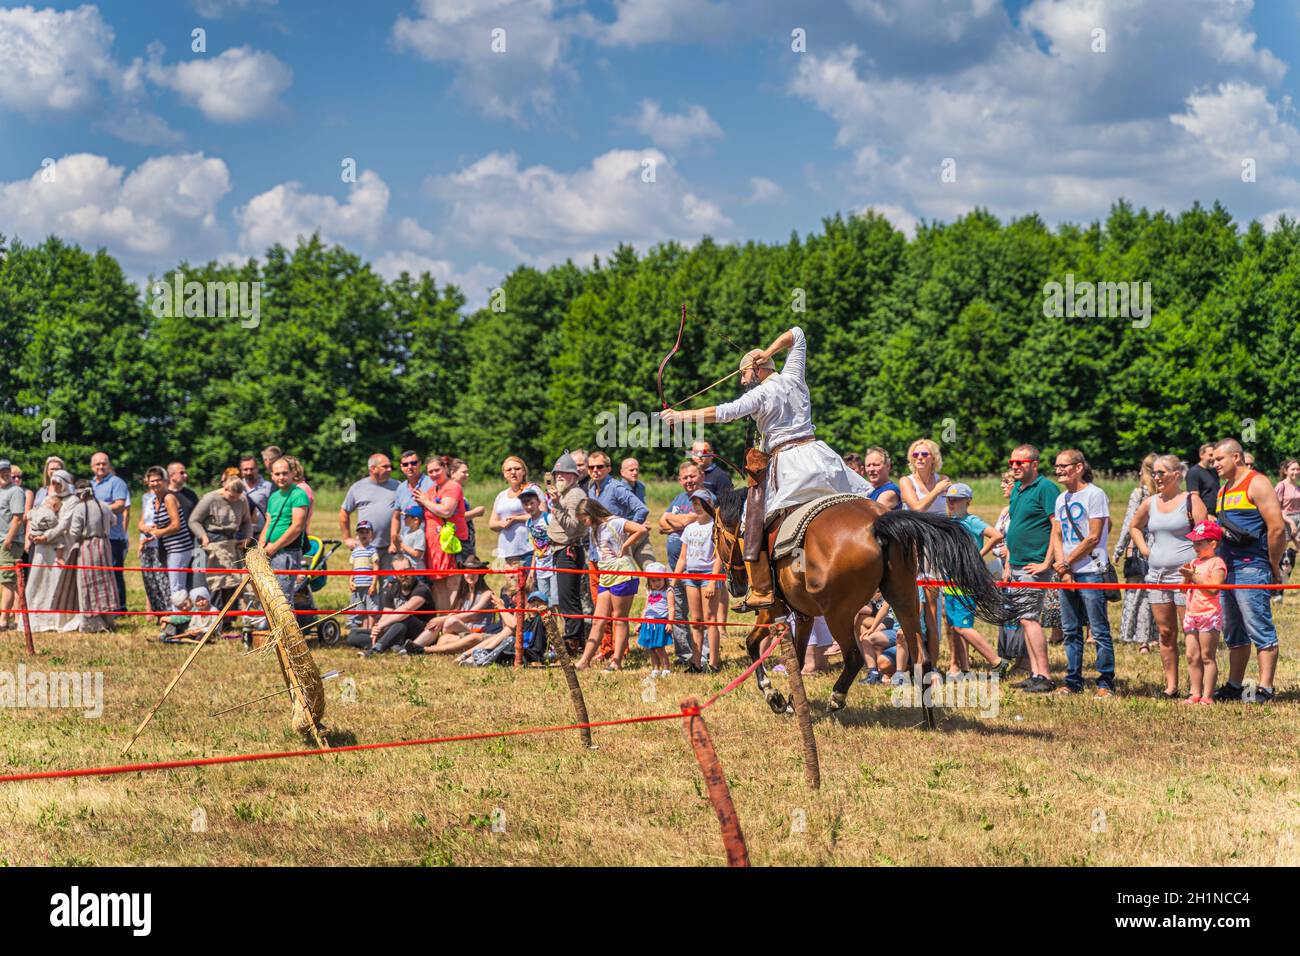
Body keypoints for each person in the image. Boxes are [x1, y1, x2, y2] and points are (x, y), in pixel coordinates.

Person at [660, 326, 870, 610]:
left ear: (756, 370)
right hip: (822, 460)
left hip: (790, 467)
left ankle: (762, 589)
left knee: (751, 522)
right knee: (865, 504)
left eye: (744, 374)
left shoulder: (759, 395)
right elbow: (797, 333)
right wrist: (767, 353)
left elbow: (723, 412)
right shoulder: (794, 376)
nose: (743, 380)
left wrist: (680, 416)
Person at [1210, 438, 1284, 703]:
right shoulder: (1223, 489)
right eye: (1213, 459)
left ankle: (1265, 688)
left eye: (1219, 459)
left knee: (1259, 628)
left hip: (1252, 567)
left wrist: (1273, 565)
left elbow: (1277, 528)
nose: (1214, 463)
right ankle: (1234, 685)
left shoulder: (1257, 483)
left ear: (1237, 458)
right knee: (1233, 631)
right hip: (1226, 568)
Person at [1127, 454, 1206, 697]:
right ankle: (1171, 686)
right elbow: (1134, 526)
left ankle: (1197, 689)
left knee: (1190, 632)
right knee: (1165, 633)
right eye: (1154, 473)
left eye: (1162, 473)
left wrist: (1198, 567)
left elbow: (1205, 535)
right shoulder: (1151, 502)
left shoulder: (1191, 500)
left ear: (1177, 475)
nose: (1156, 477)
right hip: (1157, 578)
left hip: (1185, 579)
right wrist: (1144, 549)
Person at [1047, 450, 1115, 697]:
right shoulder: (1061, 498)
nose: (1058, 471)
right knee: (1070, 629)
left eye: (1063, 466)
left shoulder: (1095, 495)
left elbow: (1094, 537)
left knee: (1098, 630)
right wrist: (1063, 567)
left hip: (1091, 571)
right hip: (1068, 571)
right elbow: (1056, 534)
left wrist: (1066, 563)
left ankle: (1105, 682)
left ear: (1078, 467)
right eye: (1056, 466)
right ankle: (1072, 680)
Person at [1003, 444, 1062, 693]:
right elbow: (1014, 526)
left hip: (1033, 564)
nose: (1015, 466)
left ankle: (1045, 676)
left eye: (1021, 463)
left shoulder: (1046, 488)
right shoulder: (1017, 488)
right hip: (1016, 563)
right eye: (1012, 463)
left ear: (1034, 464)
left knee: (1029, 619)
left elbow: (1056, 527)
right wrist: (1008, 563)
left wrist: (1047, 563)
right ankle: (1035, 672)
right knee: (1025, 619)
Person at [942, 483, 1013, 676]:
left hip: (966, 580)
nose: (951, 503)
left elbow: (996, 536)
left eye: (956, 500)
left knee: (963, 627)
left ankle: (997, 661)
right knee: (954, 627)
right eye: (949, 499)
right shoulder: (949, 522)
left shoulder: (972, 521)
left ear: (968, 501)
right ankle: (964, 667)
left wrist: (977, 555)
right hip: (950, 581)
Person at [573, 498, 647, 671]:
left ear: (591, 514)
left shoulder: (616, 522)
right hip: (606, 575)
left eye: (584, 519)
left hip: (622, 573)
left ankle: (616, 661)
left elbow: (641, 529)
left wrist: (626, 545)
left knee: (619, 619)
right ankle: (584, 661)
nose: (584, 523)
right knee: (598, 620)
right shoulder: (594, 529)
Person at [898, 438, 950, 666]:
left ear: (934, 458)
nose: (919, 458)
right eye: (915, 454)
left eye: (924, 454)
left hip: (936, 549)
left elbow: (951, 515)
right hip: (912, 548)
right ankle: (912, 661)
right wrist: (937, 490)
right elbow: (917, 508)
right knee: (914, 607)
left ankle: (933, 666)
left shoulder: (944, 480)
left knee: (933, 610)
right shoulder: (906, 481)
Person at [407, 556, 504, 656]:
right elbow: (455, 612)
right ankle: (413, 648)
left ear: (480, 573)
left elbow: (471, 614)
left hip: (477, 633)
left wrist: (442, 619)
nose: (470, 575)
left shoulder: (487, 593)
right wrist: (442, 620)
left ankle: (426, 648)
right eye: (467, 572)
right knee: (443, 638)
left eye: (474, 572)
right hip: (462, 632)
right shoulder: (463, 593)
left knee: (450, 621)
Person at [659, 460, 705, 666]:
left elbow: (689, 521)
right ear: (679, 480)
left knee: (699, 614)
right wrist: (675, 519)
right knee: (676, 611)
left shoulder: (705, 497)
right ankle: (684, 655)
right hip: (674, 564)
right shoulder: (678, 498)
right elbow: (661, 524)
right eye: (684, 477)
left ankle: (702, 656)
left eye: (692, 476)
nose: (689, 481)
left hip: (696, 566)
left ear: (701, 476)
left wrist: (672, 519)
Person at [1112, 454, 1158, 653]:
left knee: (1134, 594)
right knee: (1152, 594)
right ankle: (1151, 637)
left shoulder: (1139, 493)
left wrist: (1119, 549)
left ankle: (1138, 638)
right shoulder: (1166, 494)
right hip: (1160, 550)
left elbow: (1129, 525)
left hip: (1140, 549)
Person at [546, 453, 590, 655]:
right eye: (557, 474)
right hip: (561, 550)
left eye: (564, 473)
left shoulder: (575, 495)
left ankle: (574, 642)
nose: (559, 477)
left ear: (574, 475)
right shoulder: (564, 493)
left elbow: (572, 528)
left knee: (569, 599)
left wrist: (555, 505)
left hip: (569, 549)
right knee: (565, 598)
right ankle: (572, 639)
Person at [188, 475, 255, 609]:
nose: (234, 500)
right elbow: (193, 521)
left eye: (237, 497)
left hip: (229, 542)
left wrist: (248, 537)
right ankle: (209, 615)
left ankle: (228, 617)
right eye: (231, 497)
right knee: (208, 579)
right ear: (225, 489)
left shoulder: (242, 499)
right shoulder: (210, 498)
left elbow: (247, 521)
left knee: (230, 580)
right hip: (208, 542)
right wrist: (203, 536)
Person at [59, 481, 119, 631]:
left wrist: (66, 537)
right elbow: (114, 520)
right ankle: (108, 619)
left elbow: (75, 532)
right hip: (104, 545)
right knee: (105, 582)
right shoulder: (104, 505)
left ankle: (92, 623)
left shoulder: (80, 508)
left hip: (87, 546)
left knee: (87, 582)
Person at [22, 476, 76, 632]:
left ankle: (55, 619)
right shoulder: (47, 498)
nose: (56, 486)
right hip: (41, 547)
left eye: (59, 483)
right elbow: (33, 518)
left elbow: (63, 525)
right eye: (54, 483)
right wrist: (32, 535)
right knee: (37, 582)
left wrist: (45, 536)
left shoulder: (72, 500)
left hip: (57, 545)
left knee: (55, 581)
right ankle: (36, 619)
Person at [1180, 522, 1226, 705]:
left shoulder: (1217, 563)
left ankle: (1207, 696)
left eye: (1199, 543)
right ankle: (1194, 693)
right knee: (1192, 655)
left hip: (1209, 614)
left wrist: (1193, 576)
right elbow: (1184, 590)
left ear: (1212, 544)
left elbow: (1214, 589)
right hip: (1192, 614)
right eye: (1194, 543)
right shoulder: (1194, 563)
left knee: (1207, 656)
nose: (1195, 547)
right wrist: (1186, 576)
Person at [677, 489, 722, 673]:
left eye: (701, 503)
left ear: (709, 505)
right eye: (695, 504)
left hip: (708, 576)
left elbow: (719, 556)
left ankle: (713, 663)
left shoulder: (714, 527)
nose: (698, 507)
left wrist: (712, 580)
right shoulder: (689, 528)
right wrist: (674, 579)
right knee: (695, 620)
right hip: (691, 576)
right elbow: (683, 557)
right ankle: (696, 663)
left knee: (710, 620)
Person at [415, 455, 469, 609]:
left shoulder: (452, 486)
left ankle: (452, 623)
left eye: (437, 470)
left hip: (451, 543)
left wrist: (425, 501)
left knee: (453, 584)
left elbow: (446, 511)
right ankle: (443, 622)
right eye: (430, 472)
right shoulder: (431, 490)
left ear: (445, 468)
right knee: (438, 586)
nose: (433, 474)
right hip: (434, 546)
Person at [139, 466, 195, 610]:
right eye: (152, 481)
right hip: (168, 548)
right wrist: (150, 534)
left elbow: (176, 525)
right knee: (174, 585)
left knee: (176, 586)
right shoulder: (153, 501)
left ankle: (180, 620)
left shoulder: (169, 498)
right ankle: (181, 617)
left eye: (158, 480)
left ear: (165, 481)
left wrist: (159, 533)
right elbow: (158, 526)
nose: (155, 484)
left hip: (180, 547)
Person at [355, 555, 433, 655]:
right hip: (397, 629)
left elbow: (406, 610)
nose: (404, 575)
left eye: (407, 571)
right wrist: (378, 628)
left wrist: (381, 626)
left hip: (420, 632)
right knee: (354, 635)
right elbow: (387, 613)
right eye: (400, 572)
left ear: (413, 570)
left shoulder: (422, 589)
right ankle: (392, 644)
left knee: (404, 618)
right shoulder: (392, 588)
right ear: (394, 575)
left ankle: (376, 650)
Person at [258, 457, 309, 607]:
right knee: (268, 593)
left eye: (285, 473)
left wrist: (274, 547)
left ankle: (287, 630)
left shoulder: (298, 494)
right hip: (269, 551)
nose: (281, 477)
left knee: (283, 596)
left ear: (293, 474)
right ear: (272, 476)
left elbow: (297, 527)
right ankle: (270, 627)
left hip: (287, 552)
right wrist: (261, 547)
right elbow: (268, 523)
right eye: (277, 474)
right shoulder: (273, 497)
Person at [340, 453, 399, 572]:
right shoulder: (358, 487)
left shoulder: (398, 486)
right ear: (372, 468)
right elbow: (344, 512)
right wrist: (347, 538)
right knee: (364, 584)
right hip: (365, 547)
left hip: (391, 548)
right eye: (385, 466)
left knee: (388, 588)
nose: (390, 469)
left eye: (390, 466)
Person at [89, 451, 131, 613]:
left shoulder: (116, 482)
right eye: (97, 464)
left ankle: (120, 607)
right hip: (95, 535)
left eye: (104, 463)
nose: (101, 466)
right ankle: (102, 605)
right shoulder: (90, 484)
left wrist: (97, 509)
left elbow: (120, 505)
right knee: (99, 572)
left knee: (115, 572)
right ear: (92, 466)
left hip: (113, 536)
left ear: (109, 465)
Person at [490, 456, 543, 568]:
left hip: (529, 549)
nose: (513, 472)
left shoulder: (533, 490)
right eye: (509, 470)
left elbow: (543, 516)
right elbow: (492, 523)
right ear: (504, 474)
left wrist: (516, 519)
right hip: (508, 550)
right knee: (514, 585)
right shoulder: (501, 495)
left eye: (517, 469)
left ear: (524, 471)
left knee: (530, 584)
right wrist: (501, 524)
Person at [391, 450, 434, 560]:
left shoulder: (431, 483)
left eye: (413, 463)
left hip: (430, 542)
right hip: (407, 544)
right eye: (405, 464)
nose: (409, 467)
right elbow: (396, 517)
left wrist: (426, 502)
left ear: (420, 464)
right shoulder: (401, 488)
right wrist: (393, 542)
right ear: (401, 467)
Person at [0, 460, 26, 632]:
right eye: (2, 471)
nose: (5, 473)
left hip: (9, 542)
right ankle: (16, 617)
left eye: (7, 470)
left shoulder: (15, 491)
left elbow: (18, 518)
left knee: (7, 581)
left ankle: (3, 621)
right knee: (6, 581)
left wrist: (8, 539)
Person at [637, 562, 675, 676]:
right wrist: (640, 622)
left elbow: (672, 608)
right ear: (649, 581)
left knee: (659, 647)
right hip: (648, 622)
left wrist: (670, 622)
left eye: (659, 580)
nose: (656, 583)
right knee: (651, 648)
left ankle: (666, 668)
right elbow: (646, 608)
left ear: (665, 579)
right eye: (653, 581)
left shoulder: (668, 591)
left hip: (660, 622)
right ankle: (655, 668)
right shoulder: (650, 591)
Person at [520, 489, 554, 605]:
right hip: (540, 567)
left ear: (538, 502)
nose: (529, 507)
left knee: (555, 601)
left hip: (553, 565)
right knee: (544, 602)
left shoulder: (548, 518)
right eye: (525, 504)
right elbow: (535, 547)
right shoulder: (528, 523)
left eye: (531, 503)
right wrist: (532, 570)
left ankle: (561, 623)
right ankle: (550, 623)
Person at [347, 520, 380, 635]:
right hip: (358, 586)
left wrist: (373, 584)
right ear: (357, 535)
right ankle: (364, 632)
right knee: (362, 610)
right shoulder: (355, 551)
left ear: (371, 535)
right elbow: (353, 568)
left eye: (367, 532)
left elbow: (376, 567)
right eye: (361, 532)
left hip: (368, 584)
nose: (364, 535)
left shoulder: (372, 550)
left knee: (371, 610)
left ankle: (371, 631)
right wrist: (350, 580)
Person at [1273, 458, 1300, 597]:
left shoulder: (1297, 486)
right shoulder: (1280, 486)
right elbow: (1276, 509)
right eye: (1293, 469)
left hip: (1298, 520)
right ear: (1285, 471)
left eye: (1297, 469)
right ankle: (1277, 589)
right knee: (1279, 557)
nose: (1296, 472)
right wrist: (1291, 522)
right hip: (1285, 521)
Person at [449, 459, 484, 559]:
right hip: (459, 541)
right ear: (452, 473)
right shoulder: (451, 492)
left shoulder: (458, 491)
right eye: (464, 472)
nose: (467, 475)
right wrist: (476, 512)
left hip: (466, 538)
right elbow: (455, 518)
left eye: (467, 472)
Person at [239, 455, 273, 535]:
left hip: (260, 533)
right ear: (241, 471)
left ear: (257, 469)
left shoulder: (268, 487)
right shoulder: (237, 486)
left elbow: (273, 512)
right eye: (245, 469)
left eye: (251, 469)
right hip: (241, 534)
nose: (249, 472)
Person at [1185, 443, 1219, 515]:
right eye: (1210, 455)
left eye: (1214, 455)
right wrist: (1207, 515)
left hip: (1217, 515)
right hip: (1205, 517)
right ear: (1201, 455)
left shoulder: (1214, 471)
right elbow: (1194, 499)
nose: (1213, 458)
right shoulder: (1194, 472)